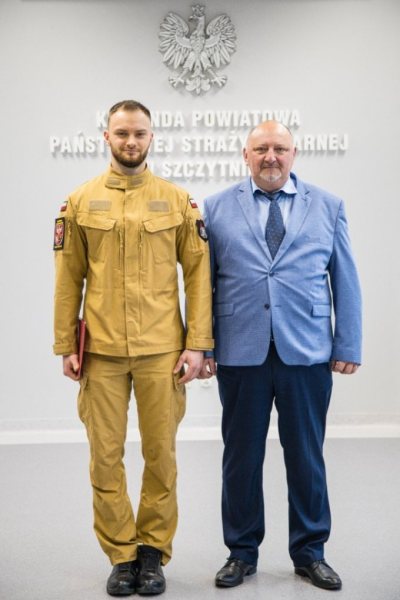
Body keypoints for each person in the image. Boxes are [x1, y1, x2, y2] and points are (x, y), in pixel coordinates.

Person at [53, 100, 213, 596]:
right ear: (106, 136)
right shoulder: (80, 202)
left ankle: (152, 552)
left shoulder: (178, 201)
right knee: (105, 457)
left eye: (139, 133)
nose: (130, 141)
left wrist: (198, 344)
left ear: (151, 137)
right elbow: (68, 279)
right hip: (100, 352)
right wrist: (66, 344)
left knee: (160, 456)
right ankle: (121, 554)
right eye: (121, 133)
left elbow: (199, 277)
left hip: (161, 351)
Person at [201, 120, 362, 591]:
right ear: (245, 154)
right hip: (240, 351)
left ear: (294, 153)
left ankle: (310, 553)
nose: (270, 156)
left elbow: (345, 277)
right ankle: (241, 552)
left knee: (307, 457)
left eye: (279, 148)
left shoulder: (328, 205)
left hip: (307, 352)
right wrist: (203, 345)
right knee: (241, 458)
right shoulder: (215, 207)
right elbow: (203, 283)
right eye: (261, 149)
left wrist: (347, 343)